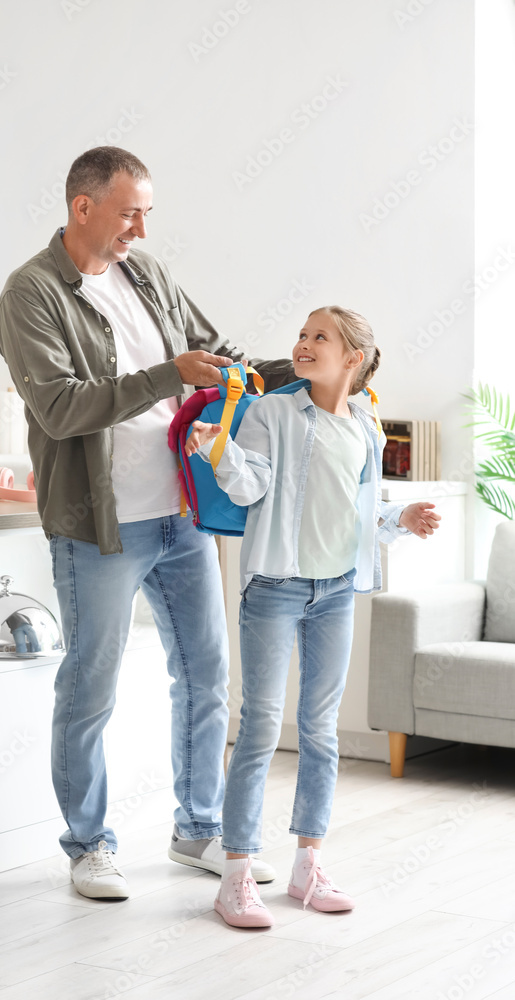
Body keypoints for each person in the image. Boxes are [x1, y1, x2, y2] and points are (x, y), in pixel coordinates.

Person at [0, 146, 294, 900]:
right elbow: (61, 407)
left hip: (181, 515)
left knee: (205, 677)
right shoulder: (30, 293)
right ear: (82, 206)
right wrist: (169, 376)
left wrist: (293, 370)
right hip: (101, 524)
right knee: (90, 685)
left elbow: (215, 356)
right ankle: (88, 845)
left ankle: (198, 828)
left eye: (146, 214)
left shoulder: (146, 276)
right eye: (130, 212)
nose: (141, 229)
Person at [185, 305, 441, 928]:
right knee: (261, 730)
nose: (302, 344)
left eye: (318, 337)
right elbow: (249, 490)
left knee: (320, 732)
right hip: (275, 586)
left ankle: (308, 865)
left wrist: (399, 520)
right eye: (300, 335)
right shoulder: (273, 411)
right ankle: (237, 875)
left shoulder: (367, 427)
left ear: (352, 357)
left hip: (335, 591)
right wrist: (216, 449)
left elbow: (360, 512)